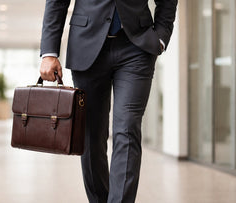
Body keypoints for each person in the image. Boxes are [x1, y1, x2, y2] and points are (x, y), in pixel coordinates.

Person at [39, 0, 177, 202]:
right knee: (91, 135)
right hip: (86, 44)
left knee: (127, 128)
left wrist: (162, 37)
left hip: (137, 47)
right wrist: (49, 52)